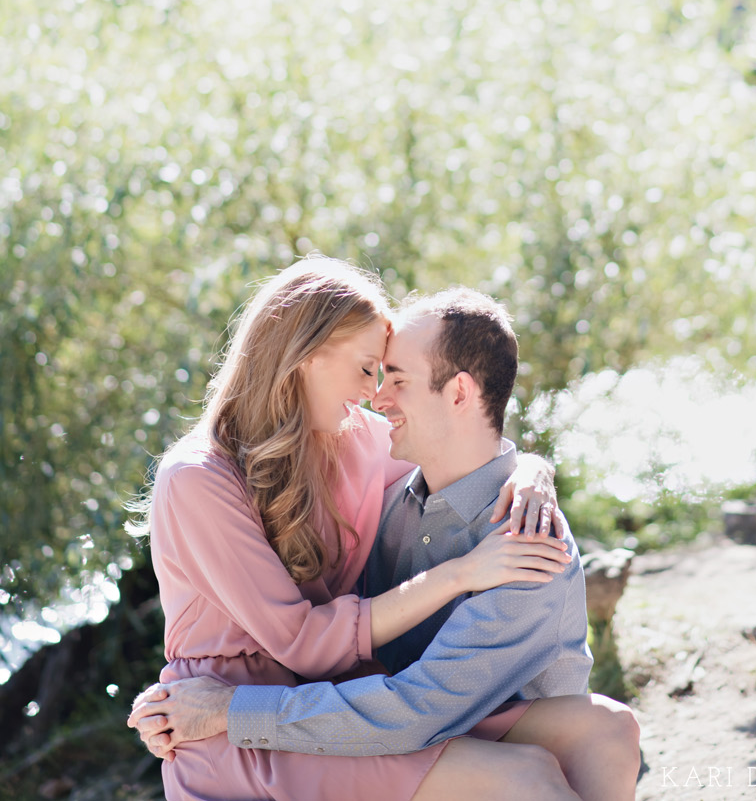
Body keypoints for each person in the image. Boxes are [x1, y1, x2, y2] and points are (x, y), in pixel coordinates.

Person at [130, 284, 641, 801]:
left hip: (323, 698)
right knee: (524, 775)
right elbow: (305, 644)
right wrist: (461, 573)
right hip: (228, 710)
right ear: (304, 356)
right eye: (368, 368)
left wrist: (533, 471)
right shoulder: (200, 477)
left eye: (389, 374)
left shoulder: (349, 440)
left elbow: (471, 454)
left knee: (610, 729)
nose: (374, 393)